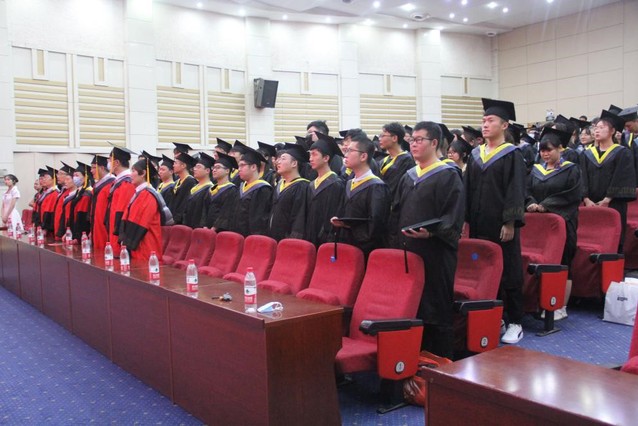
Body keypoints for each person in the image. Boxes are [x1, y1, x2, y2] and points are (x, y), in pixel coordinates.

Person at [392, 121, 465, 358]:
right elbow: (397, 211)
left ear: (434, 143)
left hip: (436, 253)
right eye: (411, 140)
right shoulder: (409, 176)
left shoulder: (448, 174)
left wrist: (433, 233)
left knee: (435, 306)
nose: (413, 144)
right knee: (413, 305)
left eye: (419, 140)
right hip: (410, 250)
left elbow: (453, 215)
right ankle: (413, 357)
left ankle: (441, 362)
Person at [465, 98, 526, 345]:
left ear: (504, 125)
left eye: (490, 121)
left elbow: (516, 189)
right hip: (479, 223)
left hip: (502, 225)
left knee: (508, 271)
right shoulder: (475, 154)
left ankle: (515, 322)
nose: (485, 125)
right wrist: (464, 220)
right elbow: (467, 189)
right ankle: (495, 316)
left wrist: (510, 222)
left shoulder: (512, 154)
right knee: (484, 270)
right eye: (483, 121)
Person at [525, 127, 582, 320]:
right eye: (542, 150)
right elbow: (526, 190)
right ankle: (537, 302)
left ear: (560, 149)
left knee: (563, 263)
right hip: (539, 227)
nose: (545, 154)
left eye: (549, 149)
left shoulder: (571, 169)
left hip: (564, 223)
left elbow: (572, 195)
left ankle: (560, 306)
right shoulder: (535, 170)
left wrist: (547, 205)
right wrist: (531, 203)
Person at [581, 110, 636, 252]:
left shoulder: (622, 152)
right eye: (595, 128)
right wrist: (586, 199)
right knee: (590, 239)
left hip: (614, 204)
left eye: (601, 127)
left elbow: (622, 177)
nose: (597, 130)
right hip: (591, 205)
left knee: (612, 239)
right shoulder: (587, 154)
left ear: (612, 131)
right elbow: (583, 177)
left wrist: (607, 199)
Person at [330, 134, 390, 257]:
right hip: (345, 246)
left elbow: (376, 225)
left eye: (350, 151)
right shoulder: (349, 184)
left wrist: (348, 226)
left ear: (363, 156)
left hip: (365, 251)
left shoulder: (376, 186)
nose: (345, 154)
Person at [118, 158, 164, 262]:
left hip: (146, 247)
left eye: (133, 171)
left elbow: (140, 223)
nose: (130, 175)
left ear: (143, 173)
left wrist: (127, 243)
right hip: (138, 245)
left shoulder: (148, 195)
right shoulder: (139, 193)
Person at [304, 134, 345, 247]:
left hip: (326, 241)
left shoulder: (335, 184)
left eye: (314, 154)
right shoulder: (311, 185)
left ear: (326, 158)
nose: (310, 159)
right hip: (309, 239)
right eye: (310, 154)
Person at [268, 143, 309, 241]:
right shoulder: (279, 185)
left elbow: (299, 218)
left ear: (294, 163)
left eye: (283, 159)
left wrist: (292, 241)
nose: (278, 162)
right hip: (273, 238)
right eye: (278, 159)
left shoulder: (302, 186)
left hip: (288, 241)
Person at [233, 146, 273, 236]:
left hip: (253, 239)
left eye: (242, 165)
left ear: (253, 167)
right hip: (237, 237)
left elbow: (260, 221)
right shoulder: (241, 187)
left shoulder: (263, 189)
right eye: (239, 166)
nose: (239, 169)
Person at [105, 145, 136, 254]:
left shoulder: (127, 182)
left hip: (118, 235)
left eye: (110, 160)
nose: (108, 163)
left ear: (117, 162)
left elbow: (122, 212)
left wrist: (119, 236)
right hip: (112, 230)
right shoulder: (118, 181)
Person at [378, 122, 414, 196]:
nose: (380, 139)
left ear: (394, 138)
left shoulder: (407, 160)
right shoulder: (383, 161)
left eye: (383, 136)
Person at [206, 151, 239, 231]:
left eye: (218, 167)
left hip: (221, 231)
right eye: (213, 167)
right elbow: (204, 210)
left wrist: (214, 228)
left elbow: (226, 212)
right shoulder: (211, 189)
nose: (214, 170)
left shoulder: (232, 189)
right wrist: (204, 225)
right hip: (207, 229)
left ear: (227, 171)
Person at [183, 152, 215, 229]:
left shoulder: (210, 189)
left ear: (207, 170)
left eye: (198, 167)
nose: (194, 169)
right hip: (188, 228)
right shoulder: (194, 188)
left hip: (200, 229)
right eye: (195, 167)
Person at [90, 154, 115, 253]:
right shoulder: (97, 184)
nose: (91, 170)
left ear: (102, 168)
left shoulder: (111, 183)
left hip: (106, 227)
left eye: (93, 167)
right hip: (96, 227)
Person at [168, 151, 197, 225]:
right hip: (172, 220)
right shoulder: (176, 182)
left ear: (183, 166)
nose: (173, 165)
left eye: (175, 163)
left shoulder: (190, 182)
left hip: (181, 222)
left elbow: (185, 204)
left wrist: (176, 219)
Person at [34, 167, 59, 234]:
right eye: (43, 177)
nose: (44, 180)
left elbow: (49, 212)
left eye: (46, 177)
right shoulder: (46, 192)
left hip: (47, 229)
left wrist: (45, 228)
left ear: (53, 179)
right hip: (41, 225)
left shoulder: (54, 193)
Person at [619, 106, 638, 191]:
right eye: (625, 127)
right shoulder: (627, 138)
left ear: (636, 121)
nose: (627, 129)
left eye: (628, 126)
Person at [53, 163, 72, 240]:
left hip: (65, 231)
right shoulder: (62, 191)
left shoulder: (70, 193)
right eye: (58, 173)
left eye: (61, 174)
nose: (58, 176)